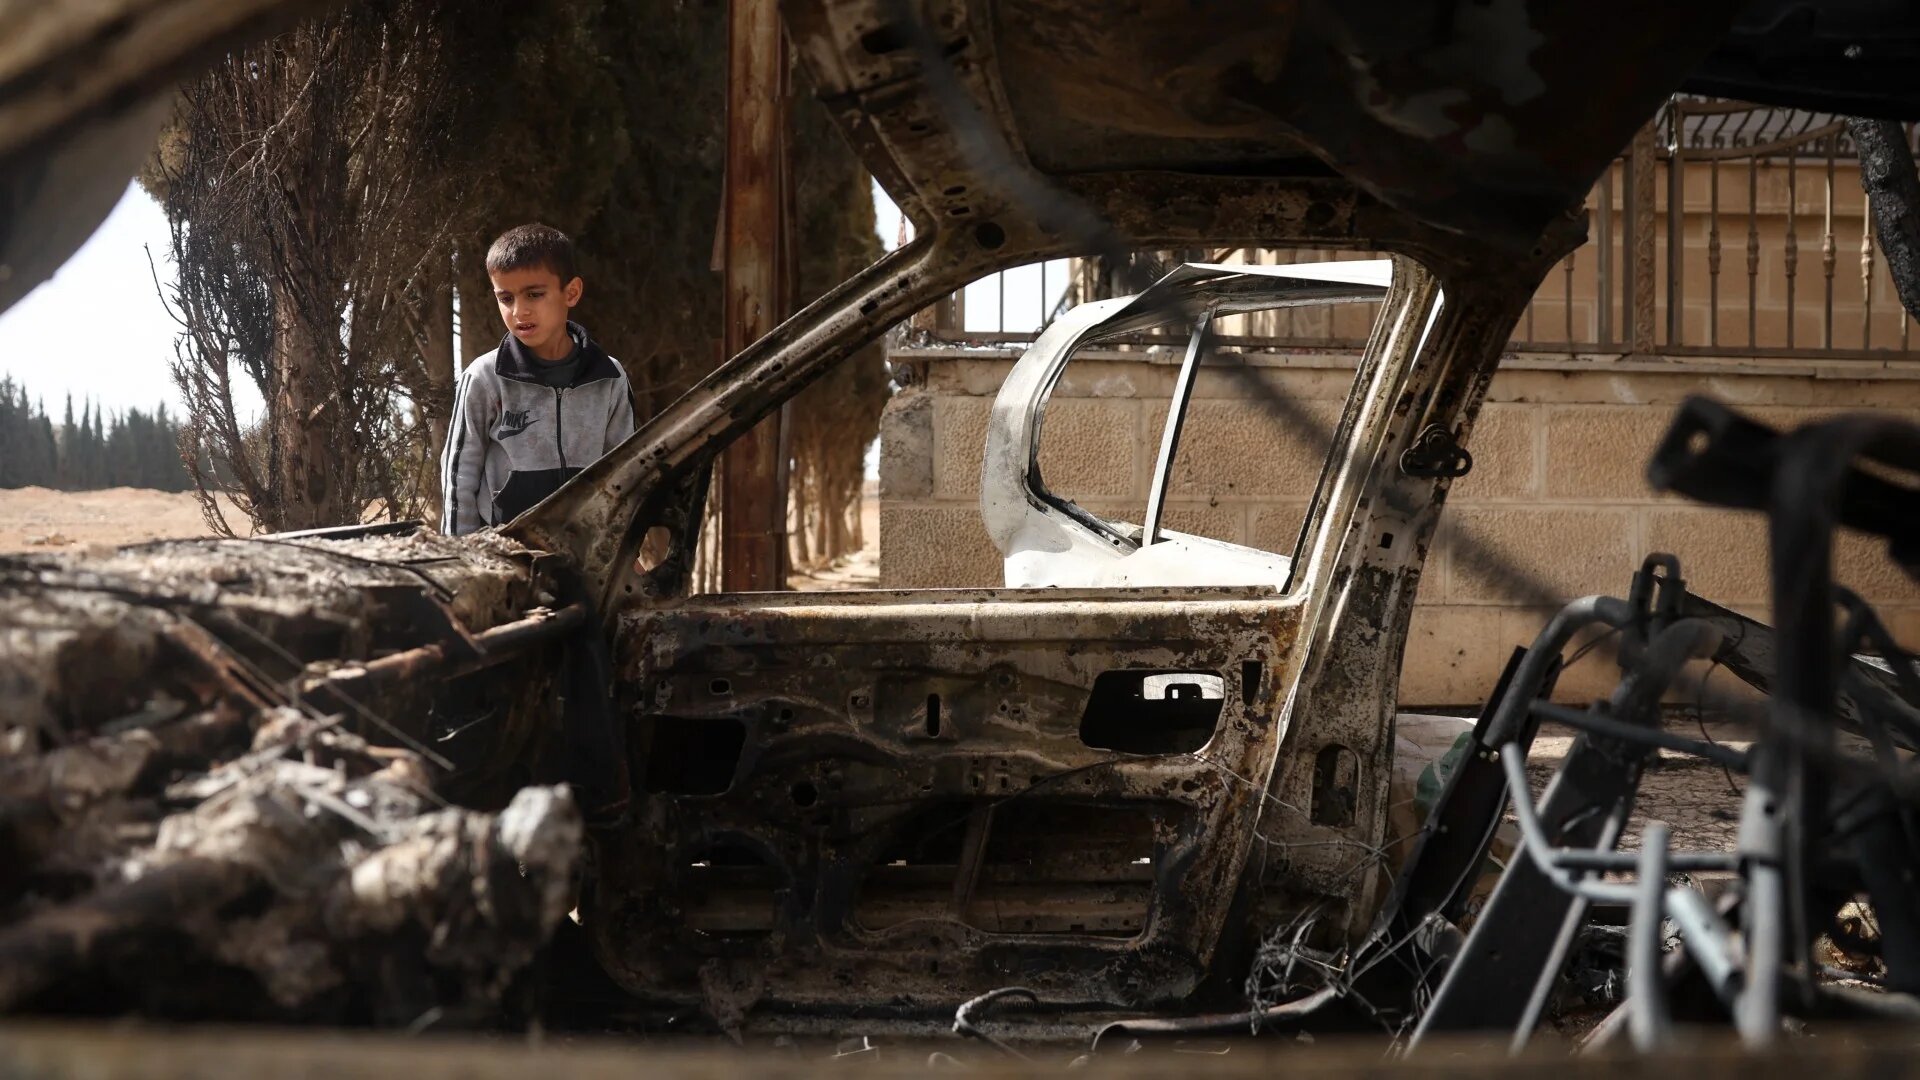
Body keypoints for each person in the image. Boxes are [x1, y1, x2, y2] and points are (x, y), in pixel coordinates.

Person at [441, 224, 636, 535]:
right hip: (501, 555)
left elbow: (626, 474)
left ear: (571, 292)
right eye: (506, 298)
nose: (520, 311)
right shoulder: (485, 378)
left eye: (534, 294)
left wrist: (623, 547)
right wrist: (459, 558)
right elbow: (459, 475)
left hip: (585, 556)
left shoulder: (609, 378)